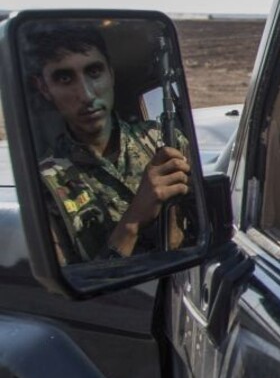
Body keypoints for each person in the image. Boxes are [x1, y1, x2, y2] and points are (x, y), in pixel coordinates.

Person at [29, 25, 191, 263]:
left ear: (111, 75)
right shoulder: (46, 184)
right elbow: (80, 287)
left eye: (94, 72)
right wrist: (133, 221)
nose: (85, 95)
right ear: (44, 88)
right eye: (65, 78)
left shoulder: (165, 143)